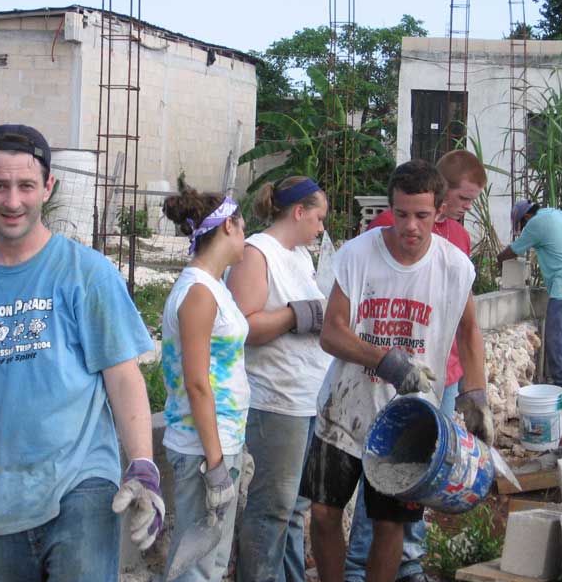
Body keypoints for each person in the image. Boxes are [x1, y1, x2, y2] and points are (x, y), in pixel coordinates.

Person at [0, 124, 162, 582]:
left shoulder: (86, 275)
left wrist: (143, 466)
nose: (13, 201)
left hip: (82, 487)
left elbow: (123, 378)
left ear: (48, 187)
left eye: (26, 186)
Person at [300, 159, 494, 582]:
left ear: (439, 212)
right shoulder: (358, 255)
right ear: (391, 208)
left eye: (422, 216)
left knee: (391, 524)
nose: (411, 226)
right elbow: (332, 333)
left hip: (410, 421)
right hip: (344, 410)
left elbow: (469, 330)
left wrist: (476, 397)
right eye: (402, 214)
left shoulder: (454, 268)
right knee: (324, 511)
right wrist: (386, 361)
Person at [227, 176, 333, 582]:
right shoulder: (257, 253)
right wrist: (295, 315)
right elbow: (244, 326)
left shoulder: (300, 256)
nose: (321, 228)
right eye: (318, 218)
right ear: (299, 211)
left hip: (307, 397)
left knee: (295, 508)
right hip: (275, 400)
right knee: (272, 507)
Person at [160, 188, 250, 582]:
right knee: (195, 567)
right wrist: (215, 466)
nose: (245, 237)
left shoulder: (213, 286)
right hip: (202, 450)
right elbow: (197, 383)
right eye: (242, 227)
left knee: (209, 562)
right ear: (228, 225)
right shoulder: (198, 292)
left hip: (218, 443)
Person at [497, 200, 562, 399]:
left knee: (559, 335)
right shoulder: (560, 215)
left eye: (521, 227)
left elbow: (512, 252)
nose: (523, 231)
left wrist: (498, 261)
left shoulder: (535, 224)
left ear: (525, 218)